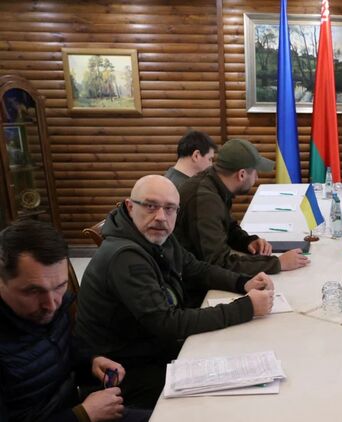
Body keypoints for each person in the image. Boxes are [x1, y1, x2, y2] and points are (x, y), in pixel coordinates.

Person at [75, 175, 276, 409]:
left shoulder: (153, 234)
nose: (161, 216)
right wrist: (246, 307)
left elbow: (195, 268)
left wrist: (243, 283)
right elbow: (167, 323)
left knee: (236, 350)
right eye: (150, 206)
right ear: (130, 207)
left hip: (149, 349)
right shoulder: (125, 257)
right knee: (226, 394)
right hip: (124, 373)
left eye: (170, 208)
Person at [0, 220, 149, 422]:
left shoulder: (52, 307)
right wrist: (82, 414)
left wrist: (91, 363)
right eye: (33, 291)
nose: (51, 304)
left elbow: (58, 353)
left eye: (60, 286)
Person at [174, 139, 309, 279]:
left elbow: (228, 227)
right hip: (191, 283)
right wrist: (277, 263)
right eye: (255, 172)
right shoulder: (205, 200)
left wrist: (247, 241)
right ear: (242, 174)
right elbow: (219, 262)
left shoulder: (215, 181)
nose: (257, 177)